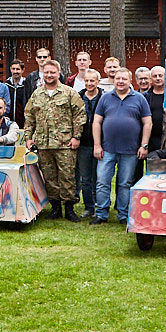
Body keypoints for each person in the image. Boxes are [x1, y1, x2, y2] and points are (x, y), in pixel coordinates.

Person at [25, 60, 86, 221]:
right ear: (42, 75)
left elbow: (79, 115)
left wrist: (76, 136)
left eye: (52, 72)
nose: (49, 75)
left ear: (58, 74)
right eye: (46, 72)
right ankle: (55, 208)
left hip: (64, 143)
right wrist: (28, 138)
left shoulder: (69, 93)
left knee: (67, 176)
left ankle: (69, 209)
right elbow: (29, 117)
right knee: (49, 177)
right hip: (43, 143)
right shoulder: (37, 94)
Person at [91, 69, 152, 226]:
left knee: (125, 183)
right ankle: (101, 214)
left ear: (130, 80)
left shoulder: (140, 99)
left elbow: (147, 123)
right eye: (118, 78)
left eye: (124, 78)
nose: (120, 81)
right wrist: (97, 145)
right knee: (102, 182)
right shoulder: (105, 98)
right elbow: (96, 122)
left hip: (130, 150)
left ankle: (123, 214)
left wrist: (144, 145)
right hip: (107, 149)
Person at [75, 69, 103, 216]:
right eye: (87, 81)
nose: (89, 83)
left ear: (98, 82)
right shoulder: (78, 98)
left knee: (100, 178)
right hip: (84, 144)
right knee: (85, 179)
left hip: (101, 143)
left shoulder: (104, 97)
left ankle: (101, 206)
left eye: (92, 81)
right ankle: (89, 207)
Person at [7, 60, 31, 127]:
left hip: (23, 122)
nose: (15, 71)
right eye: (13, 69)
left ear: (23, 70)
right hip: (8, 122)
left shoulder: (27, 85)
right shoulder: (6, 85)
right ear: (10, 69)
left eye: (18, 69)